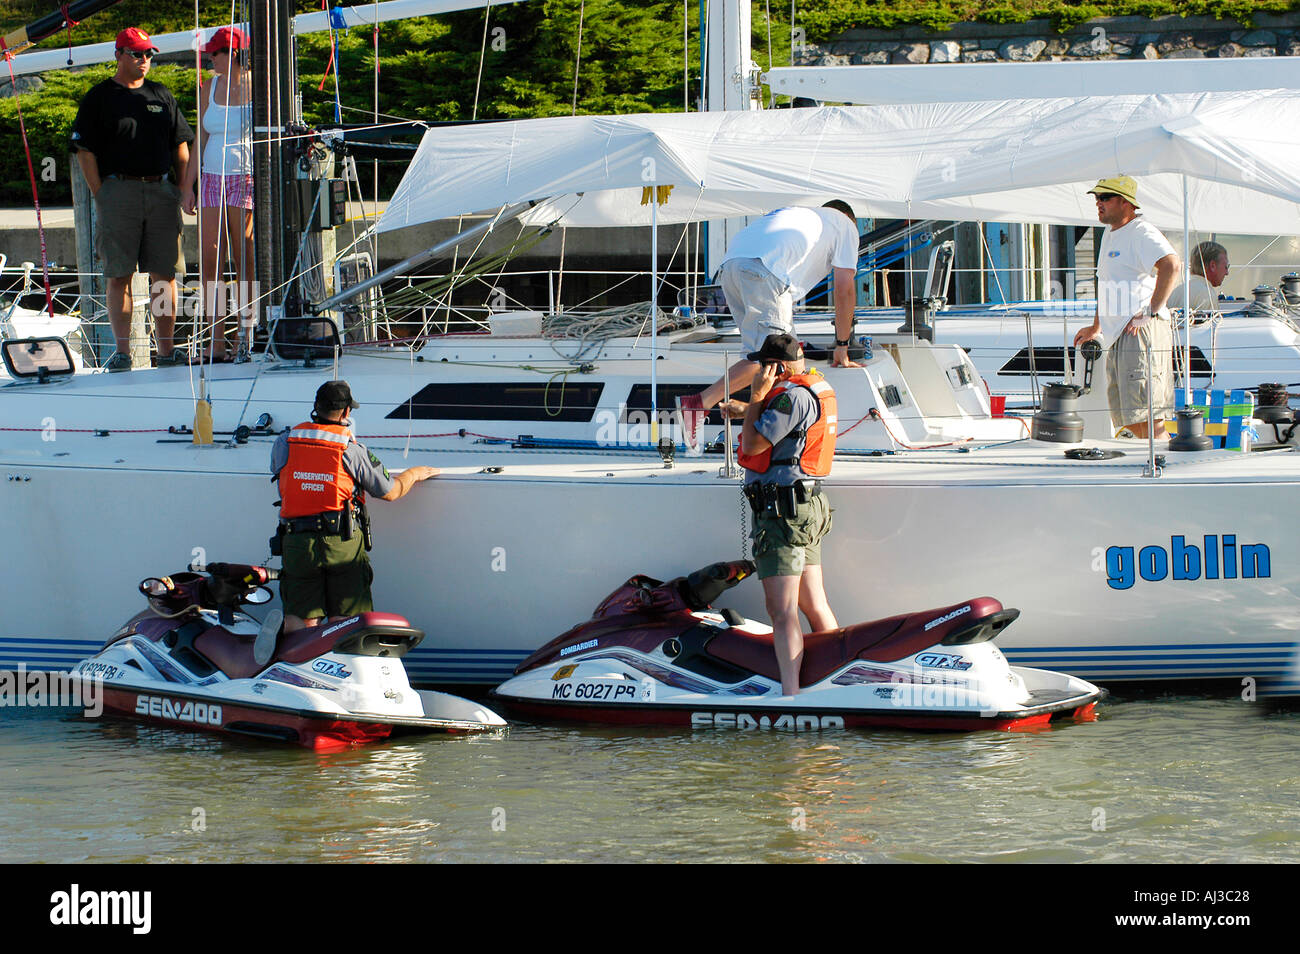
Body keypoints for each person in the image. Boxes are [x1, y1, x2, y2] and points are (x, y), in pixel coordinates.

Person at [268, 381, 440, 654]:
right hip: (342, 542)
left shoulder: (285, 441)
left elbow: (283, 477)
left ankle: (296, 672)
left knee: (300, 619)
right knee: (345, 619)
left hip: (297, 542)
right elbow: (390, 492)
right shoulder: (350, 450)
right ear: (347, 411)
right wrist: (415, 474)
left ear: (316, 407)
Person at [676, 201, 862, 453]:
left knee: (761, 356)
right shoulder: (846, 226)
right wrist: (842, 345)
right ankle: (702, 403)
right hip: (764, 270)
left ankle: (757, 417)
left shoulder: (804, 215)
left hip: (732, 265)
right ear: (849, 218)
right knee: (783, 359)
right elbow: (844, 289)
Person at [70, 27, 194, 372]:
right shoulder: (99, 97)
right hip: (118, 191)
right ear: (118, 55)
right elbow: (84, 150)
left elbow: (180, 144)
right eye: (137, 53)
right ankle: (123, 354)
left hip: (161, 190)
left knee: (165, 275)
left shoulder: (161, 94)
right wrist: (101, 193)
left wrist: (185, 188)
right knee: (118, 275)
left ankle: (167, 352)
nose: (144, 60)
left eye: (148, 54)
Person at [738, 333, 839, 697]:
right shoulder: (812, 388)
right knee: (814, 602)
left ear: (776, 366)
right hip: (807, 506)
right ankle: (838, 678)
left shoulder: (789, 398)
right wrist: (750, 408)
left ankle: (791, 695)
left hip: (782, 512)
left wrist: (755, 398)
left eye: (764, 365)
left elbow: (752, 445)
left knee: (781, 612)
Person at [1072, 175, 1181, 440]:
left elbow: (1172, 265)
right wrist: (1096, 326)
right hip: (1120, 334)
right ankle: (1151, 464)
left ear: (1126, 203)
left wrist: (1151, 311)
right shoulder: (1111, 234)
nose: (1098, 203)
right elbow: (1107, 284)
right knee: (1128, 415)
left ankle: (1159, 469)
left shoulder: (1141, 231)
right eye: (1097, 198)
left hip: (1139, 332)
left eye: (1105, 198)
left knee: (1148, 413)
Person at [181, 26, 255, 363]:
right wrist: (187, 185)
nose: (210, 58)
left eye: (216, 52)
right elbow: (200, 139)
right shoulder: (208, 87)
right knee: (211, 262)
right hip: (211, 177)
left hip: (246, 178)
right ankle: (216, 341)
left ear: (234, 54)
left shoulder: (259, 87)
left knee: (245, 261)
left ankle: (247, 336)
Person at [1167, 240, 1229, 313]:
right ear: (1212, 266)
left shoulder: (1176, 292)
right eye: (1226, 267)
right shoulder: (1207, 295)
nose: (1227, 273)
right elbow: (1210, 324)